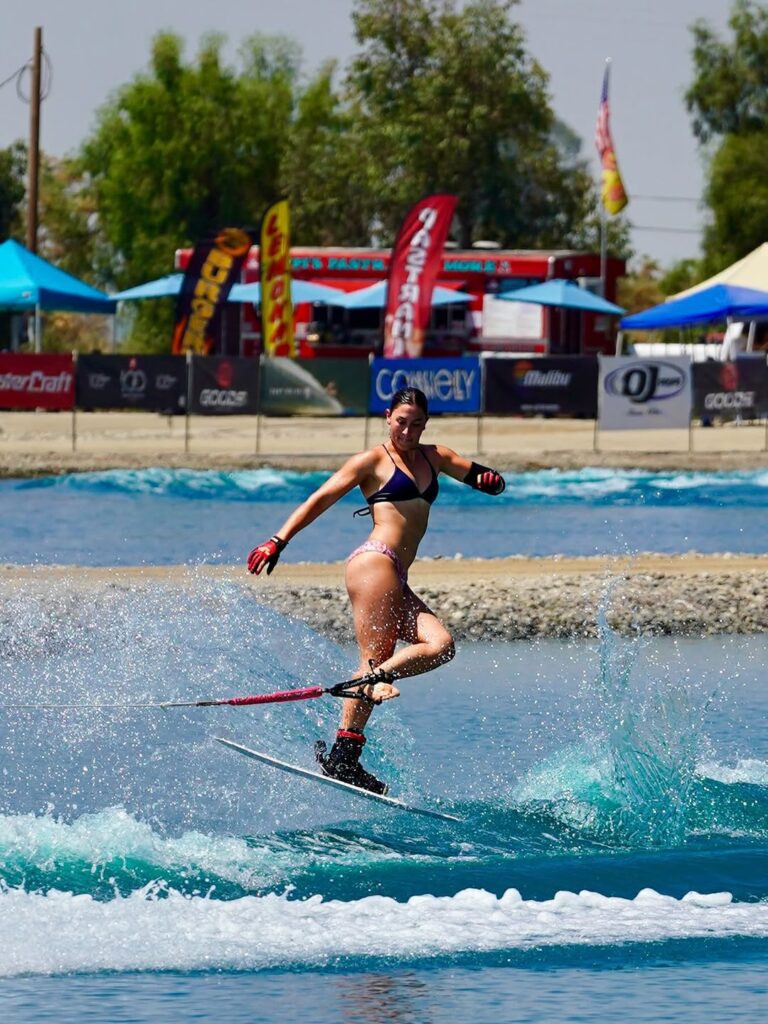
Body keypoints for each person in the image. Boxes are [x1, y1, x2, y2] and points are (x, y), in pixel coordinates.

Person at [247, 387, 506, 794]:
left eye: (416, 424)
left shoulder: (434, 457)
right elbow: (320, 499)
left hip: (397, 573)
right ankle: (348, 743)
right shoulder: (371, 460)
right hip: (375, 560)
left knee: (441, 645)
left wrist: (491, 482)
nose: (407, 430)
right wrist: (277, 541)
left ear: (425, 424)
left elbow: (481, 476)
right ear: (388, 417)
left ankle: (352, 734)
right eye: (401, 421)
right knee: (374, 659)